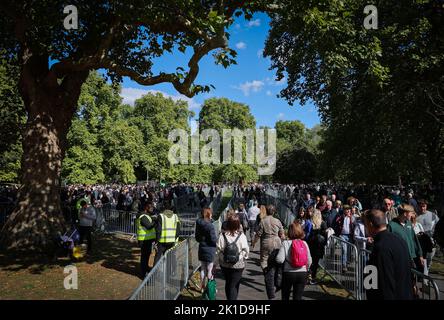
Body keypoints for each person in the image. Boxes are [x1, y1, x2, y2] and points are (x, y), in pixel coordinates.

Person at [363, 209, 414, 300]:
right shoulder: (399, 240)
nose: (365, 228)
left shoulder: (380, 248)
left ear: (370, 224)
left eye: (366, 225)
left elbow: (383, 282)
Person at [252, 205, 285, 300]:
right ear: (274, 212)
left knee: (265, 263)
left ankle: (268, 278)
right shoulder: (277, 221)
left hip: (266, 243)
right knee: (277, 261)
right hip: (276, 242)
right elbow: (282, 234)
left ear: (266, 211)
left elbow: (258, 234)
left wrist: (254, 242)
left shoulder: (263, 221)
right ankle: (276, 280)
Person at [216, 214, 249, 300]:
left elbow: (218, 250)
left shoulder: (222, 236)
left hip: (225, 264)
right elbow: (246, 250)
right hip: (238, 265)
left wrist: (220, 259)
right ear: (238, 224)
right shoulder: (242, 236)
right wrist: (244, 256)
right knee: (234, 284)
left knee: (229, 283)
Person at [276, 221, 312, 300]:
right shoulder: (304, 243)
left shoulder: (285, 243)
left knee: (285, 296)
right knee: (297, 297)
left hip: (288, 273)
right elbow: (309, 260)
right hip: (302, 273)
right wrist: (306, 269)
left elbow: (279, 260)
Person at [388, 204, 424, 272]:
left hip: (411, 258)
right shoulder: (391, 225)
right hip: (398, 259)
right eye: (411, 213)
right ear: (405, 213)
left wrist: (420, 255)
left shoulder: (409, 223)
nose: (413, 215)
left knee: (411, 279)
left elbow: (414, 240)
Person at [195, 207, 217, 292]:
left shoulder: (198, 223)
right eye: (211, 213)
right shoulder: (210, 226)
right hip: (210, 248)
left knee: (203, 268)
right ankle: (210, 288)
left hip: (202, 247)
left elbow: (197, 237)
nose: (212, 214)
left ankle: (202, 287)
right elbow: (213, 239)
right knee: (210, 269)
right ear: (208, 214)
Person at [154, 200, 181, 265]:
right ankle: (171, 273)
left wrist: (156, 241)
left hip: (161, 241)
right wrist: (174, 238)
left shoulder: (161, 216)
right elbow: (178, 230)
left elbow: (158, 230)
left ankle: (155, 273)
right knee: (170, 257)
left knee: (158, 257)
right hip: (171, 241)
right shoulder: (175, 216)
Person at [416, 199, 439, 270]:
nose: (422, 208)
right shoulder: (415, 216)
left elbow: (438, 225)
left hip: (431, 242)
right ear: (418, 206)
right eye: (420, 206)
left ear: (426, 206)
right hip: (419, 242)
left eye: (424, 206)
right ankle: (423, 278)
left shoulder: (432, 215)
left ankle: (425, 276)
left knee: (429, 260)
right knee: (421, 261)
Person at [137, 202, 157, 278]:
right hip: (144, 240)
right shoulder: (143, 216)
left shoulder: (147, 216)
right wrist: (155, 220)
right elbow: (149, 226)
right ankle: (143, 273)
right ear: (146, 208)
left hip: (147, 240)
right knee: (144, 257)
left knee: (147, 255)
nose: (152, 208)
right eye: (150, 207)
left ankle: (146, 268)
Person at [333, 205, 355, 273]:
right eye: (346, 210)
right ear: (344, 210)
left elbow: (355, 225)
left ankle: (347, 262)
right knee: (344, 250)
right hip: (342, 235)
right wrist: (338, 233)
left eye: (349, 210)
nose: (348, 211)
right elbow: (336, 223)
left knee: (349, 251)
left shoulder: (352, 218)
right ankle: (344, 266)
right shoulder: (341, 217)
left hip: (350, 236)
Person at [307, 209, 326, 284]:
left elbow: (308, 234)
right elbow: (325, 236)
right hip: (319, 246)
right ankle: (312, 277)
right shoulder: (323, 223)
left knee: (310, 261)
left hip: (311, 245)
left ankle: (309, 276)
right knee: (315, 262)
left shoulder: (310, 223)